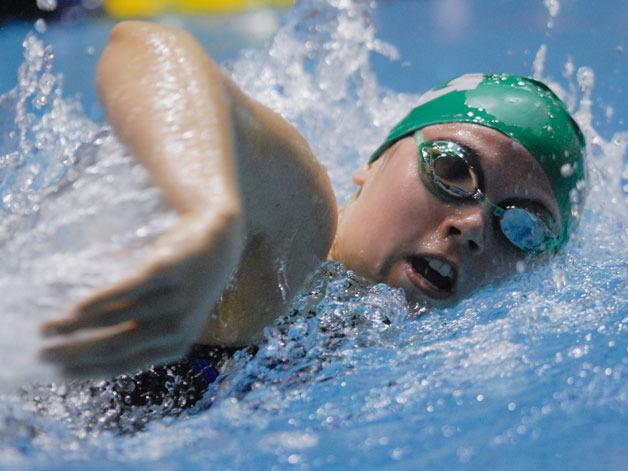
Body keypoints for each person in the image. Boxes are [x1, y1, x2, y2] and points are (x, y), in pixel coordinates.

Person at [39, 21, 586, 381]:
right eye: (453, 170)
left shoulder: (388, 351)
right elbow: (145, 48)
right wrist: (211, 216)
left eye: (523, 228)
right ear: (372, 165)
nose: (472, 227)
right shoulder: (297, 234)